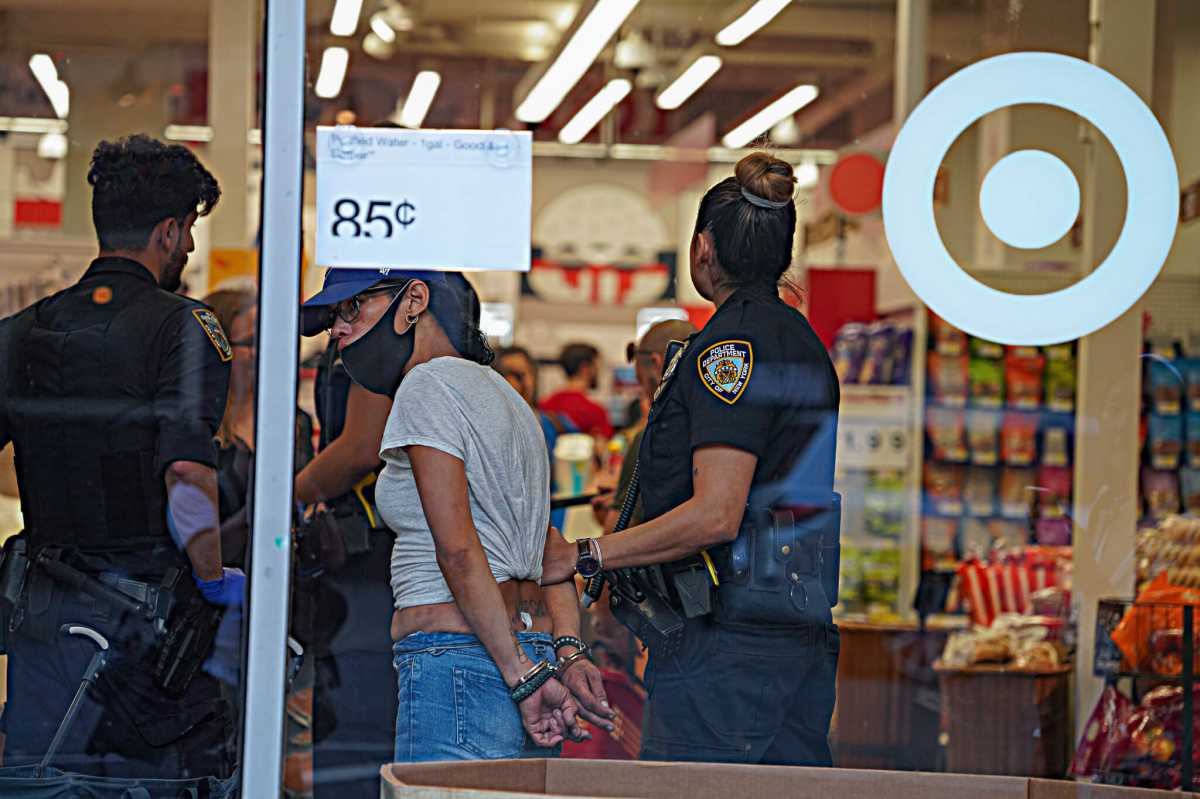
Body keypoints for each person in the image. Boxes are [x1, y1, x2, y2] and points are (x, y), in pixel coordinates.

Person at [542, 152, 842, 766]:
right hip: (792, 632)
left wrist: (586, 554)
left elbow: (716, 514)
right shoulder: (803, 343)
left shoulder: (728, 347)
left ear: (703, 249)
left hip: (727, 648)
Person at [0, 134, 238, 778]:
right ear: (167, 230)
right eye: (187, 230)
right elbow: (186, 470)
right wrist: (213, 579)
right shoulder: (185, 329)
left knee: (40, 783)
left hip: (43, 615)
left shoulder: (23, 331)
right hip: (148, 631)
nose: (188, 247)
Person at [306, 269, 614, 762]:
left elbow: (457, 547)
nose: (337, 329)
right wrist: (562, 651)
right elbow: (547, 551)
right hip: (524, 651)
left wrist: (522, 677)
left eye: (351, 308)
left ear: (414, 301)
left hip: (459, 662)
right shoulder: (509, 400)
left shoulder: (425, 386)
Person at [293, 268, 406, 798]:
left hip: (373, 563)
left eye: (348, 311)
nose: (337, 327)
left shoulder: (378, 351)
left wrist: (282, 498)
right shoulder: (368, 340)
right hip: (363, 560)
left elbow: (360, 447)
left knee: (360, 740)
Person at [204, 288, 315, 797]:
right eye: (255, 340)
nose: (270, 351)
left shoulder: (292, 422)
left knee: (283, 745)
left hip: (282, 603)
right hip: (215, 610)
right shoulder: (199, 427)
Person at [493, 345, 579, 532]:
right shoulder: (484, 426)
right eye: (511, 373)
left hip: (551, 522)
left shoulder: (554, 423)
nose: (520, 381)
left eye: (526, 373)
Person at [540, 343, 613, 440]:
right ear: (585, 368)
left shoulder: (544, 405)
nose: (598, 371)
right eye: (596, 366)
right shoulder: (595, 412)